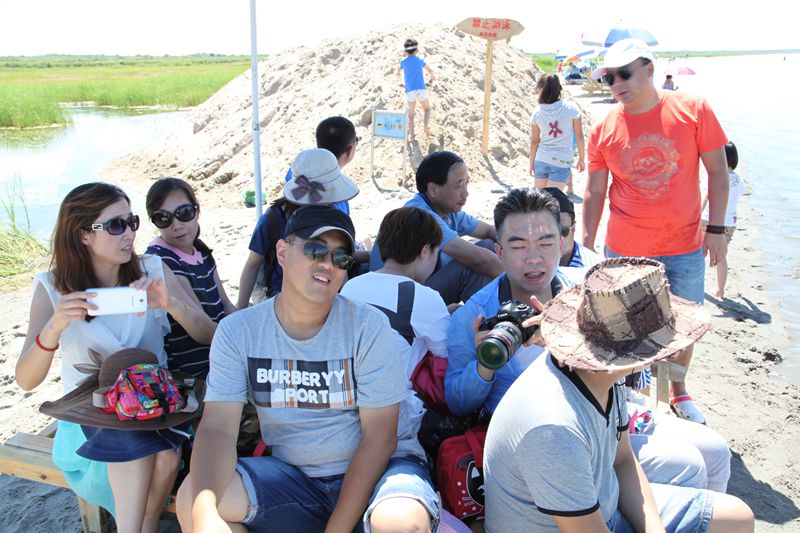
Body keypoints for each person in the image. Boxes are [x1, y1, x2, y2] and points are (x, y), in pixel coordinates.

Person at [445, 188, 732, 493]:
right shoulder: (473, 316)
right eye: (518, 247)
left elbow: (630, 370)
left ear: (562, 243)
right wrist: (485, 365)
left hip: (613, 419)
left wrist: (566, 338)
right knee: (688, 463)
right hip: (548, 441)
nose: (533, 258)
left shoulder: (586, 292)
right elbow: (457, 402)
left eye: (545, 242)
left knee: (716, 451)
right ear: (499, 252)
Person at [176, 205, 439, 533]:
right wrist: (204, 515)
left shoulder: (368, 327)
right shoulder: (239, 331)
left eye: (341, 257)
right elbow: (218, 428)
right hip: (295, 480)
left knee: (401, 524)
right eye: (315, 250)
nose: (328, 264)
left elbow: (380, 440)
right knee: (194, 497)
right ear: (283, 252)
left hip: (382, 471)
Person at [483, 257, 754, 533]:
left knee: (737, 516)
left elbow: (623, 459)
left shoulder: (603, 373)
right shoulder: (554, 427)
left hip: (602, 505)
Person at [16, 182, 215, 533]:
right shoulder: (54, 287)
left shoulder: (151, 270)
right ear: (83, 235)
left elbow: (208, 334)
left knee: (166, 458)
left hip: (156, 405)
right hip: (88, 416)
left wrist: (169, 304)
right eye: (115, 225)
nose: (129, 234)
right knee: (147, 452)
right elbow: (26, 380)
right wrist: (55, 325)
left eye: (132, 221)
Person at [583, 38, 730, 424]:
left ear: (649, 69)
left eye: (624, 73)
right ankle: (639, 397)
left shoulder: (693, 108)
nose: (616, 83)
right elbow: (595, 191)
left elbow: (717, 170)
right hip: (625, 250)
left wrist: (716, 229)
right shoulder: (602, 129)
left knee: (682, 328)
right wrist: (586, 242)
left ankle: (678, 392)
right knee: (628, 330)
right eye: (608, 77)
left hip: (684, 245)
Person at [342, 206, 449, 432]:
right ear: (425, 251)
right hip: (396, 418)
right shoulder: (425, 298)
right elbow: (445, 358)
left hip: (347, 407)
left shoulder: (351, 286)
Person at [370, 151, 502, 306]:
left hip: (415, 291)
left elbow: (488, 231)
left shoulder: (448, 212)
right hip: (396, 300)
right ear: (432, 189)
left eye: (467, 183)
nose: (466, 192)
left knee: (488, 245)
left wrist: (516, 245)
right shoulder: (422, 216)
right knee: (475, 265)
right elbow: (479, 259)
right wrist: (523, 279)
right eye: (458, 185)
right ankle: (485, 321)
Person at [237, 145, 360, 308]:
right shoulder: (274, 218)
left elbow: (337, 264)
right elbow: (253, 264)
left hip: (321, 295)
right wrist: (241, 307)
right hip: (277, 296)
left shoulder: (334, 219)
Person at [146, 177, 236, 378]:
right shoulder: (161, 260)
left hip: (221, 356)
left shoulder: (202, 251)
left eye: (184, 213)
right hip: (195, 373)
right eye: (163, 218)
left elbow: (226, 305)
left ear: (197, 211)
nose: (176, 225)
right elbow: (200, 328)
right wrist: (239, 342)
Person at [702, 142, 745, 299]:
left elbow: (706, 197)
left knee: (700, 252)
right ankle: (721, 290)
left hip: (708, 219)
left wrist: (697, 213)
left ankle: (698, 283)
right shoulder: (739, 181)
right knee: (721, 256)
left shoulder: (714, 176)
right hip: (729, 223)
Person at [529, 74, 586, 191]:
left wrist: (531, 163)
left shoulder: (537, 113)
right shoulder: (572, 110)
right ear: (559, 88)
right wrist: (581, 159)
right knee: (553, 201)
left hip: (541, 159)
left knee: (539, 201)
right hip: (561, 160)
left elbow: (534, 141)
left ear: (541, 88)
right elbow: (579, 136)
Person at [543, 187, 603, 284]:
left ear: (574, 227)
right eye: (543, 233)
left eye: (562, 230)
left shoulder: (595, 271)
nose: (553, 239)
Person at [400, 38, 436, 138]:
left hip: (410, 90)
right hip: (421, 88)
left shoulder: (403, 61)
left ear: (405, 51)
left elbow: (398, 70)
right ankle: (425, 125)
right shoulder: (420, 60)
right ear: (417, 51)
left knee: (411, 115)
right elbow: (429, 69)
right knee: (427, 109)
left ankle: (412, 135)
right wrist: (432, 75)